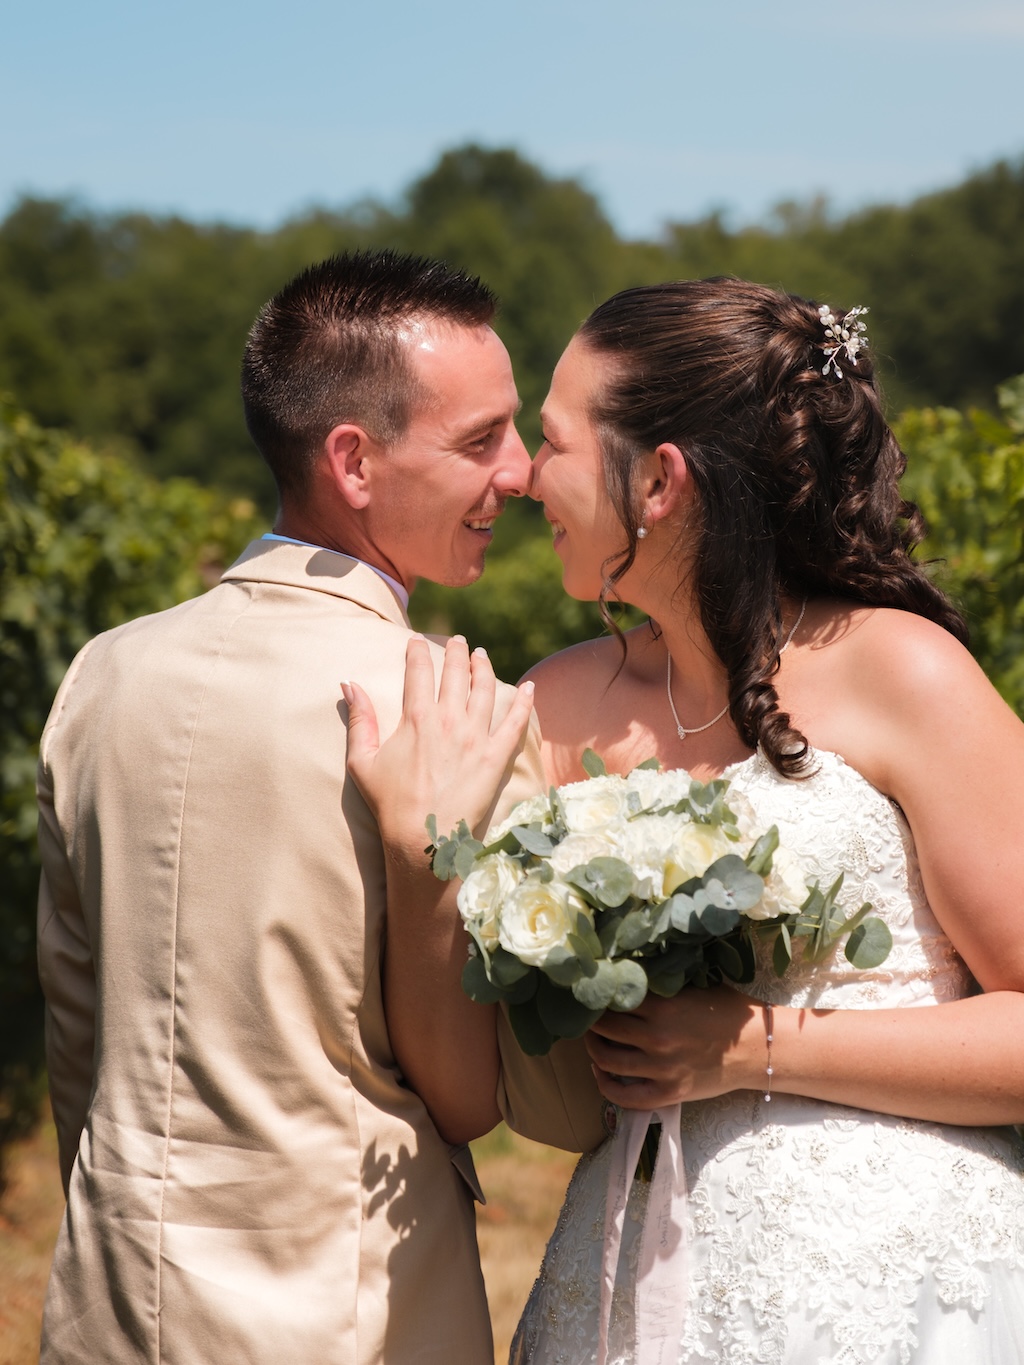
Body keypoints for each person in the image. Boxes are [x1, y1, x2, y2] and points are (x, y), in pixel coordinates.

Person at [345, 277, 1024, 1363]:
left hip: (896, 1285)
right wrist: (422, 857)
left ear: (658, 482)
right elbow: (466, 1089)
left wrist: (752, 1048)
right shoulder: (551, 707)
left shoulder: (903, 673)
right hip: (634, 1288)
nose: (519, 476)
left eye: (555, 442)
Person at [36, 249, 603, 1365]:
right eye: (480, 438)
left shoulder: (101, 673)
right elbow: (532, 1102)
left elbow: (75, 1029)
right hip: (356, 1311)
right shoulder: (459, 709)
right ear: (353, 460)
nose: (524, 473)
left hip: (108, 1297)